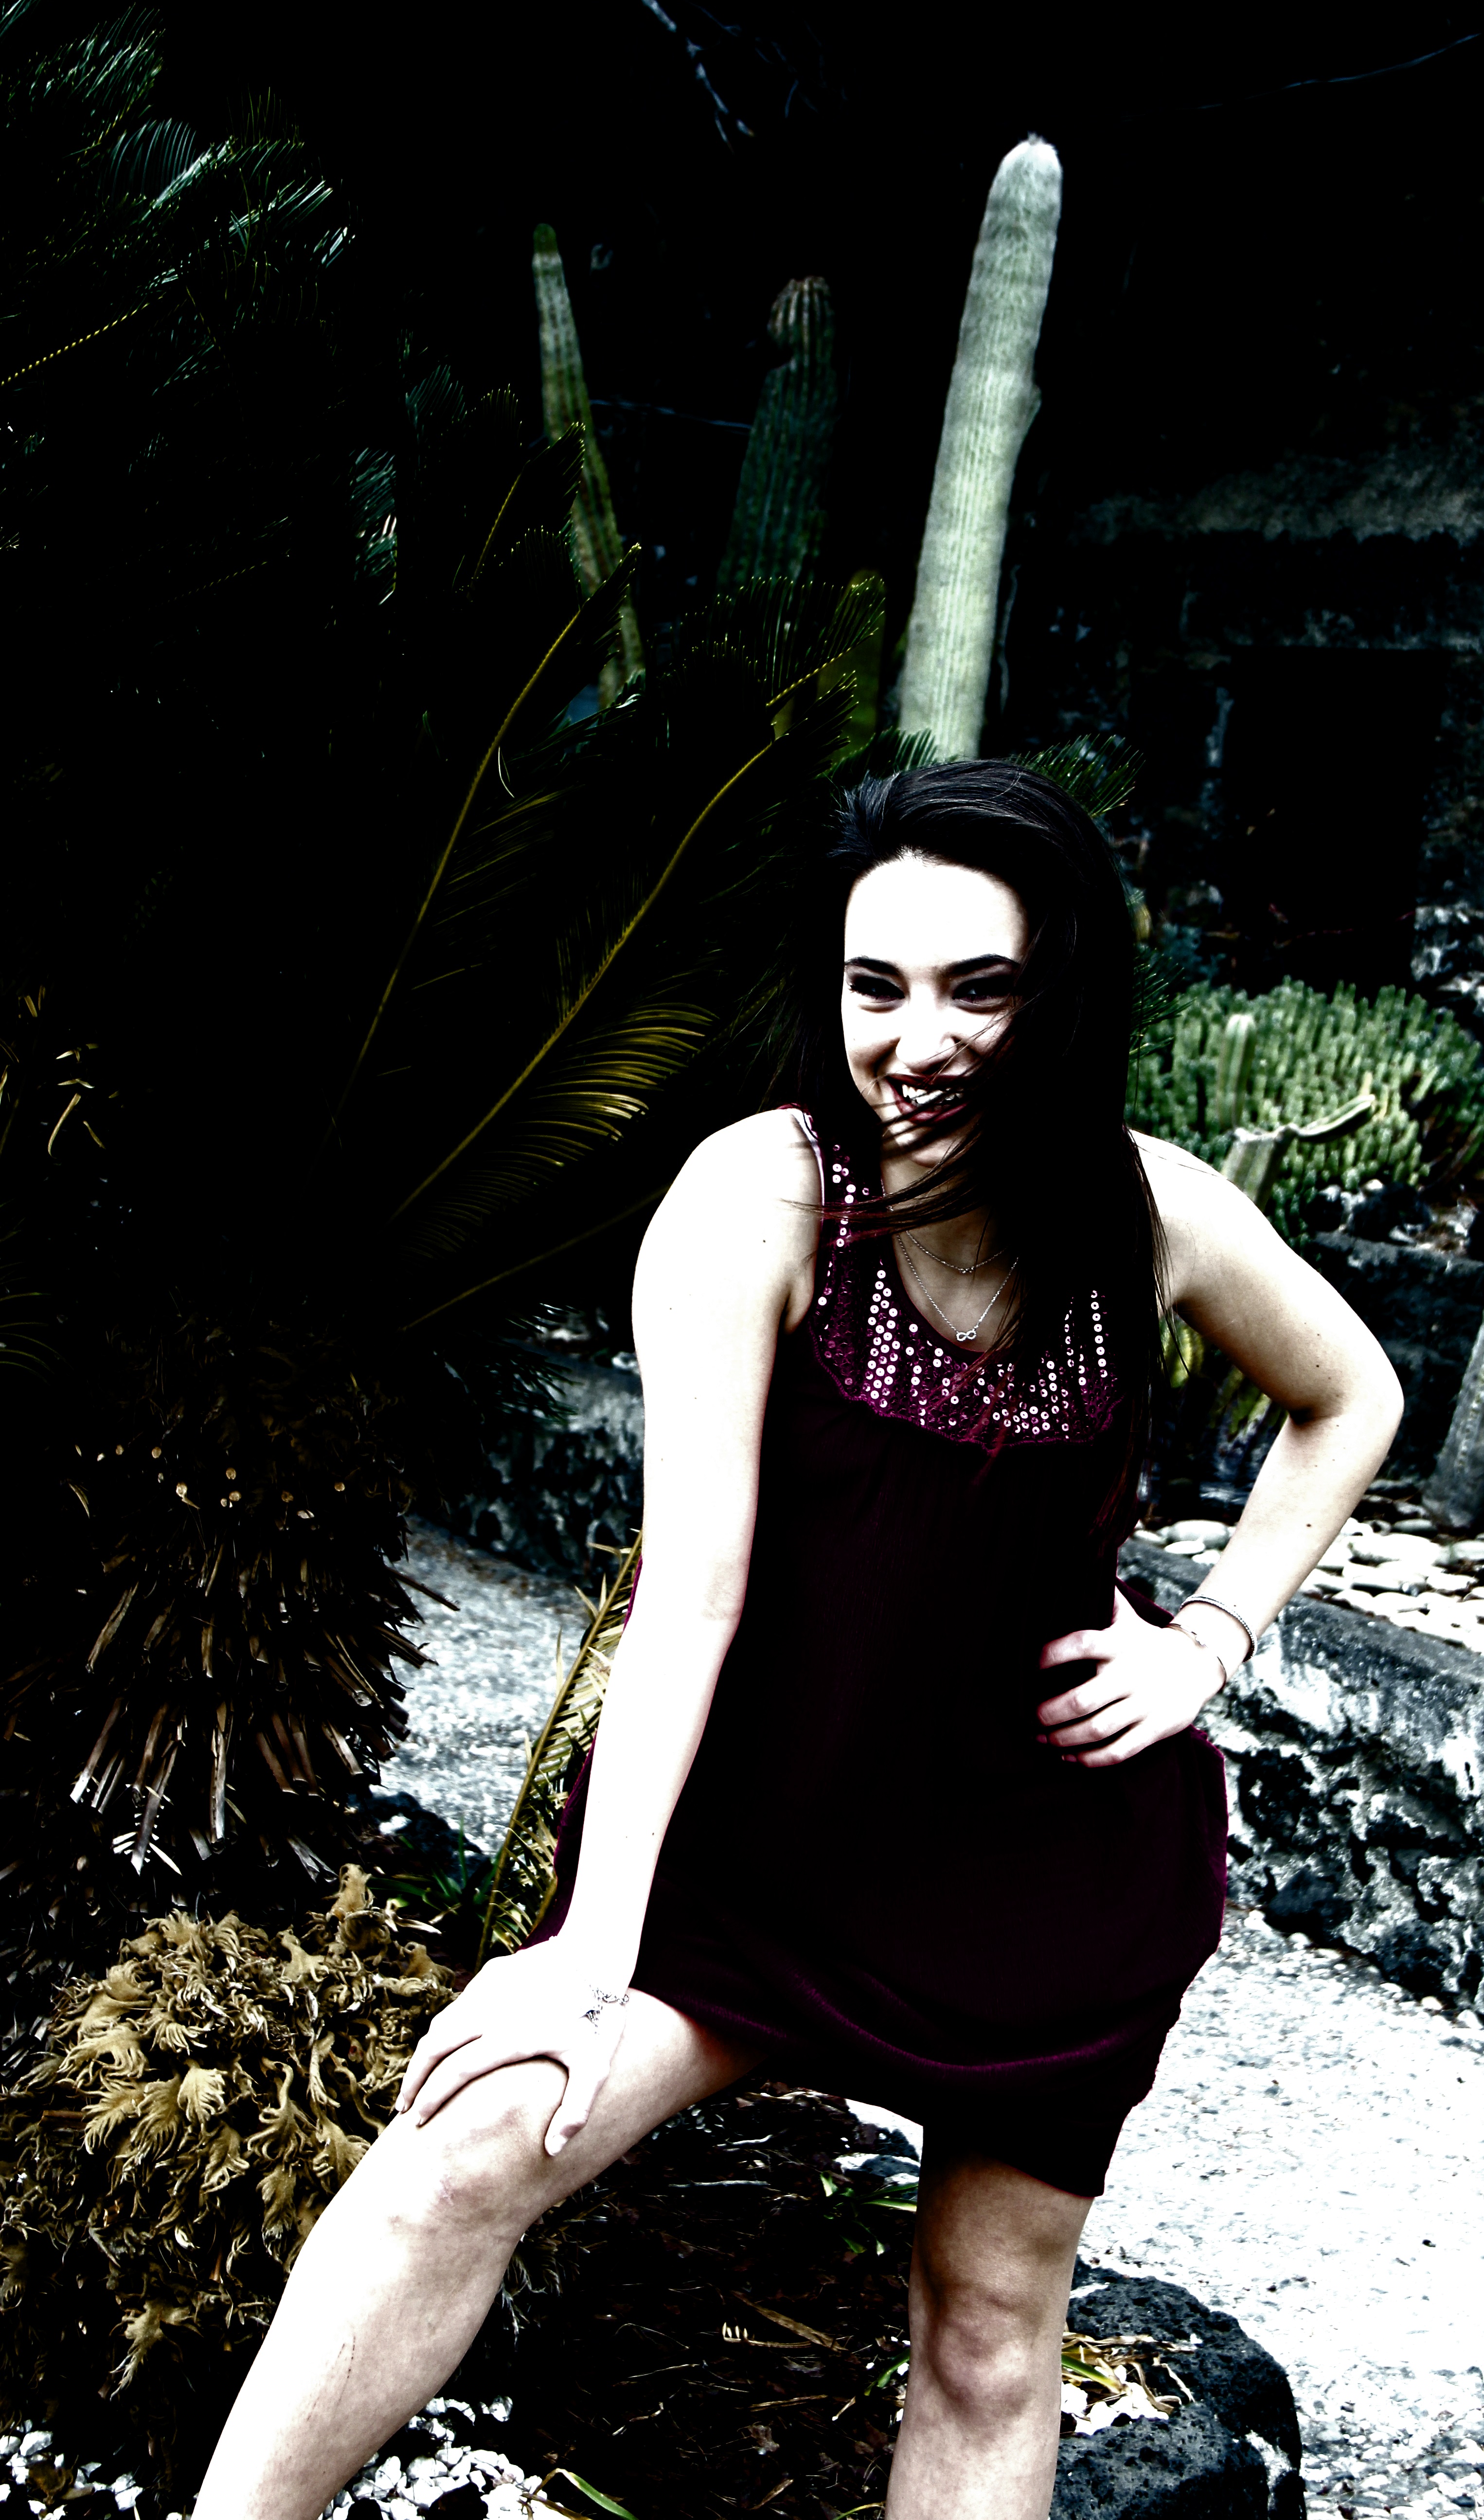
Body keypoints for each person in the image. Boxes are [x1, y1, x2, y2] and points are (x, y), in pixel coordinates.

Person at [196, 763, 1402, 2520]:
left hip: (1042, 1869)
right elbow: (692, 1593)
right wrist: (593, 1940)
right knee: (459, 2155)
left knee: (988, 2340)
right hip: (753, 1850)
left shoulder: (1155, 1215)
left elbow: (1352, 1391)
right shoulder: (761, 1197)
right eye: (874, 985)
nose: (918, 1039)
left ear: (1066, 991)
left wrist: (1210, 1637)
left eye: (981, 988)